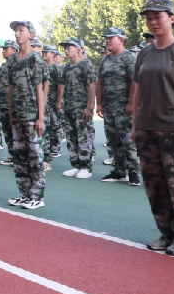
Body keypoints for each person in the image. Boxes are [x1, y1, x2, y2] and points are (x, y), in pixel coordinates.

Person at [127, 0, 174, 257]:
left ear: (172, 18)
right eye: (149, 17)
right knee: (154, 185)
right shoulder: (145, 53)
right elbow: (138, 92)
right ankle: (166, 232)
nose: (153, 21)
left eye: (158, 16)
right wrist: (135, 126)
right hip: (146, 127)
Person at [7, 20, 47, 209]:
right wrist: (11, 114)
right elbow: (10, 88)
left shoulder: (35, 59)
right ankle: (24, 193)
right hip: (17, 115)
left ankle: (37, 196)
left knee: (35, 156)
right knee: (19, 156)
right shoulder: (12, 60)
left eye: (21, 30)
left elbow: (40, 89)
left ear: (30, 34)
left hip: (31, 116)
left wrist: (40, 117)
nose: (17, 33)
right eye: (16, 30)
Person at [97, 28, 141, 185]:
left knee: (128, 140)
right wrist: (99, 103)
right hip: (109, 108)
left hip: (124, 108)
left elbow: (135, 81)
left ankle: (133, 171)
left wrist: (131, 103)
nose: (107, 40)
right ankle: (119, 171)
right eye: (106, 38)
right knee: (113, 140)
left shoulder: (129, 58)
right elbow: (100, 83)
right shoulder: (105, 60)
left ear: (121, 40)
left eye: (110, 37)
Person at [59, 37, 97, 179]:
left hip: (82, 108)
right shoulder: (67, 68)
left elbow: (91, 85)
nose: (66, 50)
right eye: (66, 47)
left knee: (83, 137)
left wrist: (90, 106)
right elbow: (64, 88)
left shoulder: (85, 64)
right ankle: (76, 165)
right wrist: (63, 107)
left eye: (70, 47)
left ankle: (86, 167)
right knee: (71, 138)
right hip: (69, 108)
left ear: (78, 49)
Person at [40, 44, 63, 172]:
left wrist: (59, 101)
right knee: (47, 128)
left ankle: (55, 148)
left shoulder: (55, 67)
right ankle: (48, 151)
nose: (44, 54)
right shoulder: (43, 67)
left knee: (55, 125)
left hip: (52, 101)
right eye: (43, 52)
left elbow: (60, 85)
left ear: (53, 54)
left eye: (46, 52)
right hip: (44, 103)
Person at [0, 39, 17, 165]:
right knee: (7, 131)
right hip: (3, 103)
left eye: (6, 48)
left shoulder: (16, 63)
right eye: (3, 49)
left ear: (14, 50)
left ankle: (19, 156)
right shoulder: (4, 65)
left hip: (13, 103)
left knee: (15, 131)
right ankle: (12, 155)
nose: (4, 51)